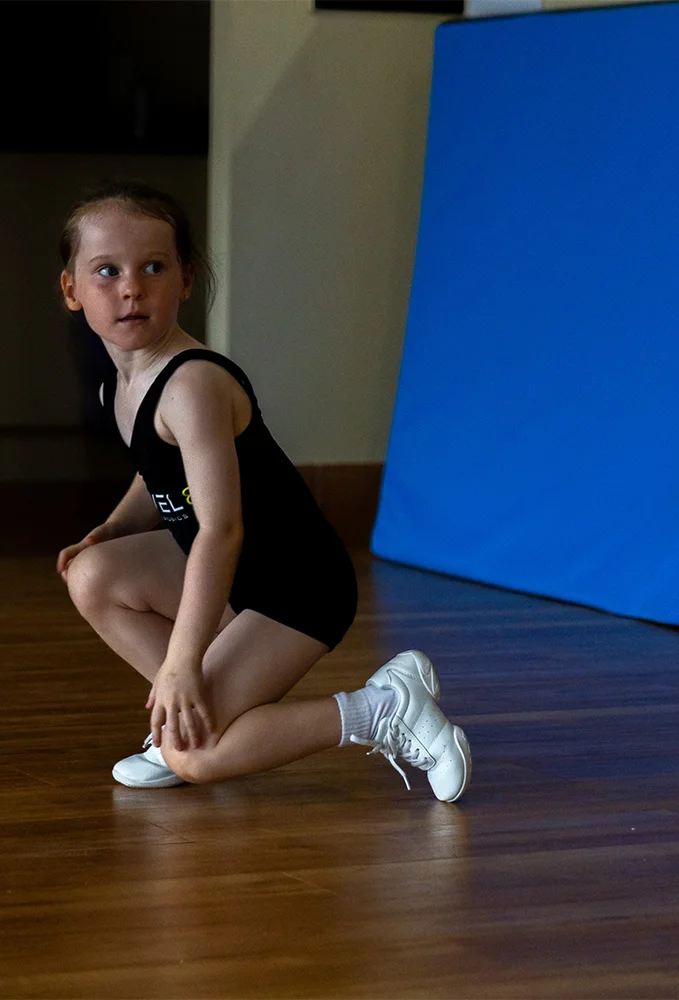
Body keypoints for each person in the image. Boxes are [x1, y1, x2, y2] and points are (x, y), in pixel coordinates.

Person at [54, 180, 470, 802]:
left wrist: (182, 660)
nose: (131, 287)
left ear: (185, 281)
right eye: (107, 271)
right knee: (91, 573)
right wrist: (115, 528)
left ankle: (382, 709)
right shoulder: (118, 385)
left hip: (296, 587)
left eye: (153, 267)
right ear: (72, 290)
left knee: (197, 759)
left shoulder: (192, 385)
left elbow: (221, 530)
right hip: (235, 580)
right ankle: (189, 715)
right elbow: (156, 469)